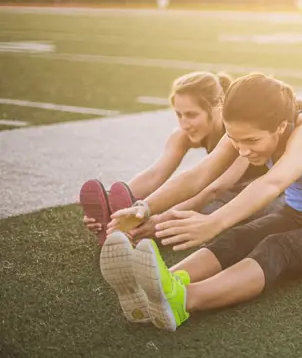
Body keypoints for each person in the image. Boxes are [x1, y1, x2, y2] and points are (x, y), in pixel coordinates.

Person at [100, 73, 302, 331]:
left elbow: (272, 182)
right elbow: (200, 175)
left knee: (277, 247)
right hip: (295, 214)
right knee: (239, 237)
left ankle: (184, 300)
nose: (242, 150)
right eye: (235, 139)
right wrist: (143, 207)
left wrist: (213, 222)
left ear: (280, 126)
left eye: (251, 141)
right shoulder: (247, 130)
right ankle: (160, 284)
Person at [80, 71, 278, 246]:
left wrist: (161, 220)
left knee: (197, 212)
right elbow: (154, 175)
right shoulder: (182, 135)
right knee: (168, 206)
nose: (185, 123)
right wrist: (116, 206)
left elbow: (215, 188)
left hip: (263, 192)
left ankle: (141, 228)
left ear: (217, 107)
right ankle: (121, 223)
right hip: (225, 193)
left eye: (192, 115)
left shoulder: (240, 133)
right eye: (179, 115)